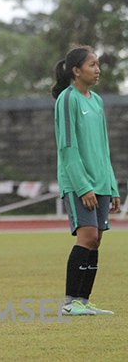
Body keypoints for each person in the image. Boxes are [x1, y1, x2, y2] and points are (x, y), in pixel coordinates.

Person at [52, 46, 120, 316]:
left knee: (97, 240)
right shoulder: (67, 100)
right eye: (92, 65)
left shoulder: (97, 100)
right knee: (87, 236)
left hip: (101, 182)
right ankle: (70, 303)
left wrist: (112, 186)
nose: (98, 69)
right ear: (75, 71)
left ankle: (84, 300)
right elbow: (67, 147)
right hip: (80, 183)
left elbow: (103, 147)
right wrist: (83, 186)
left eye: (98, 64)